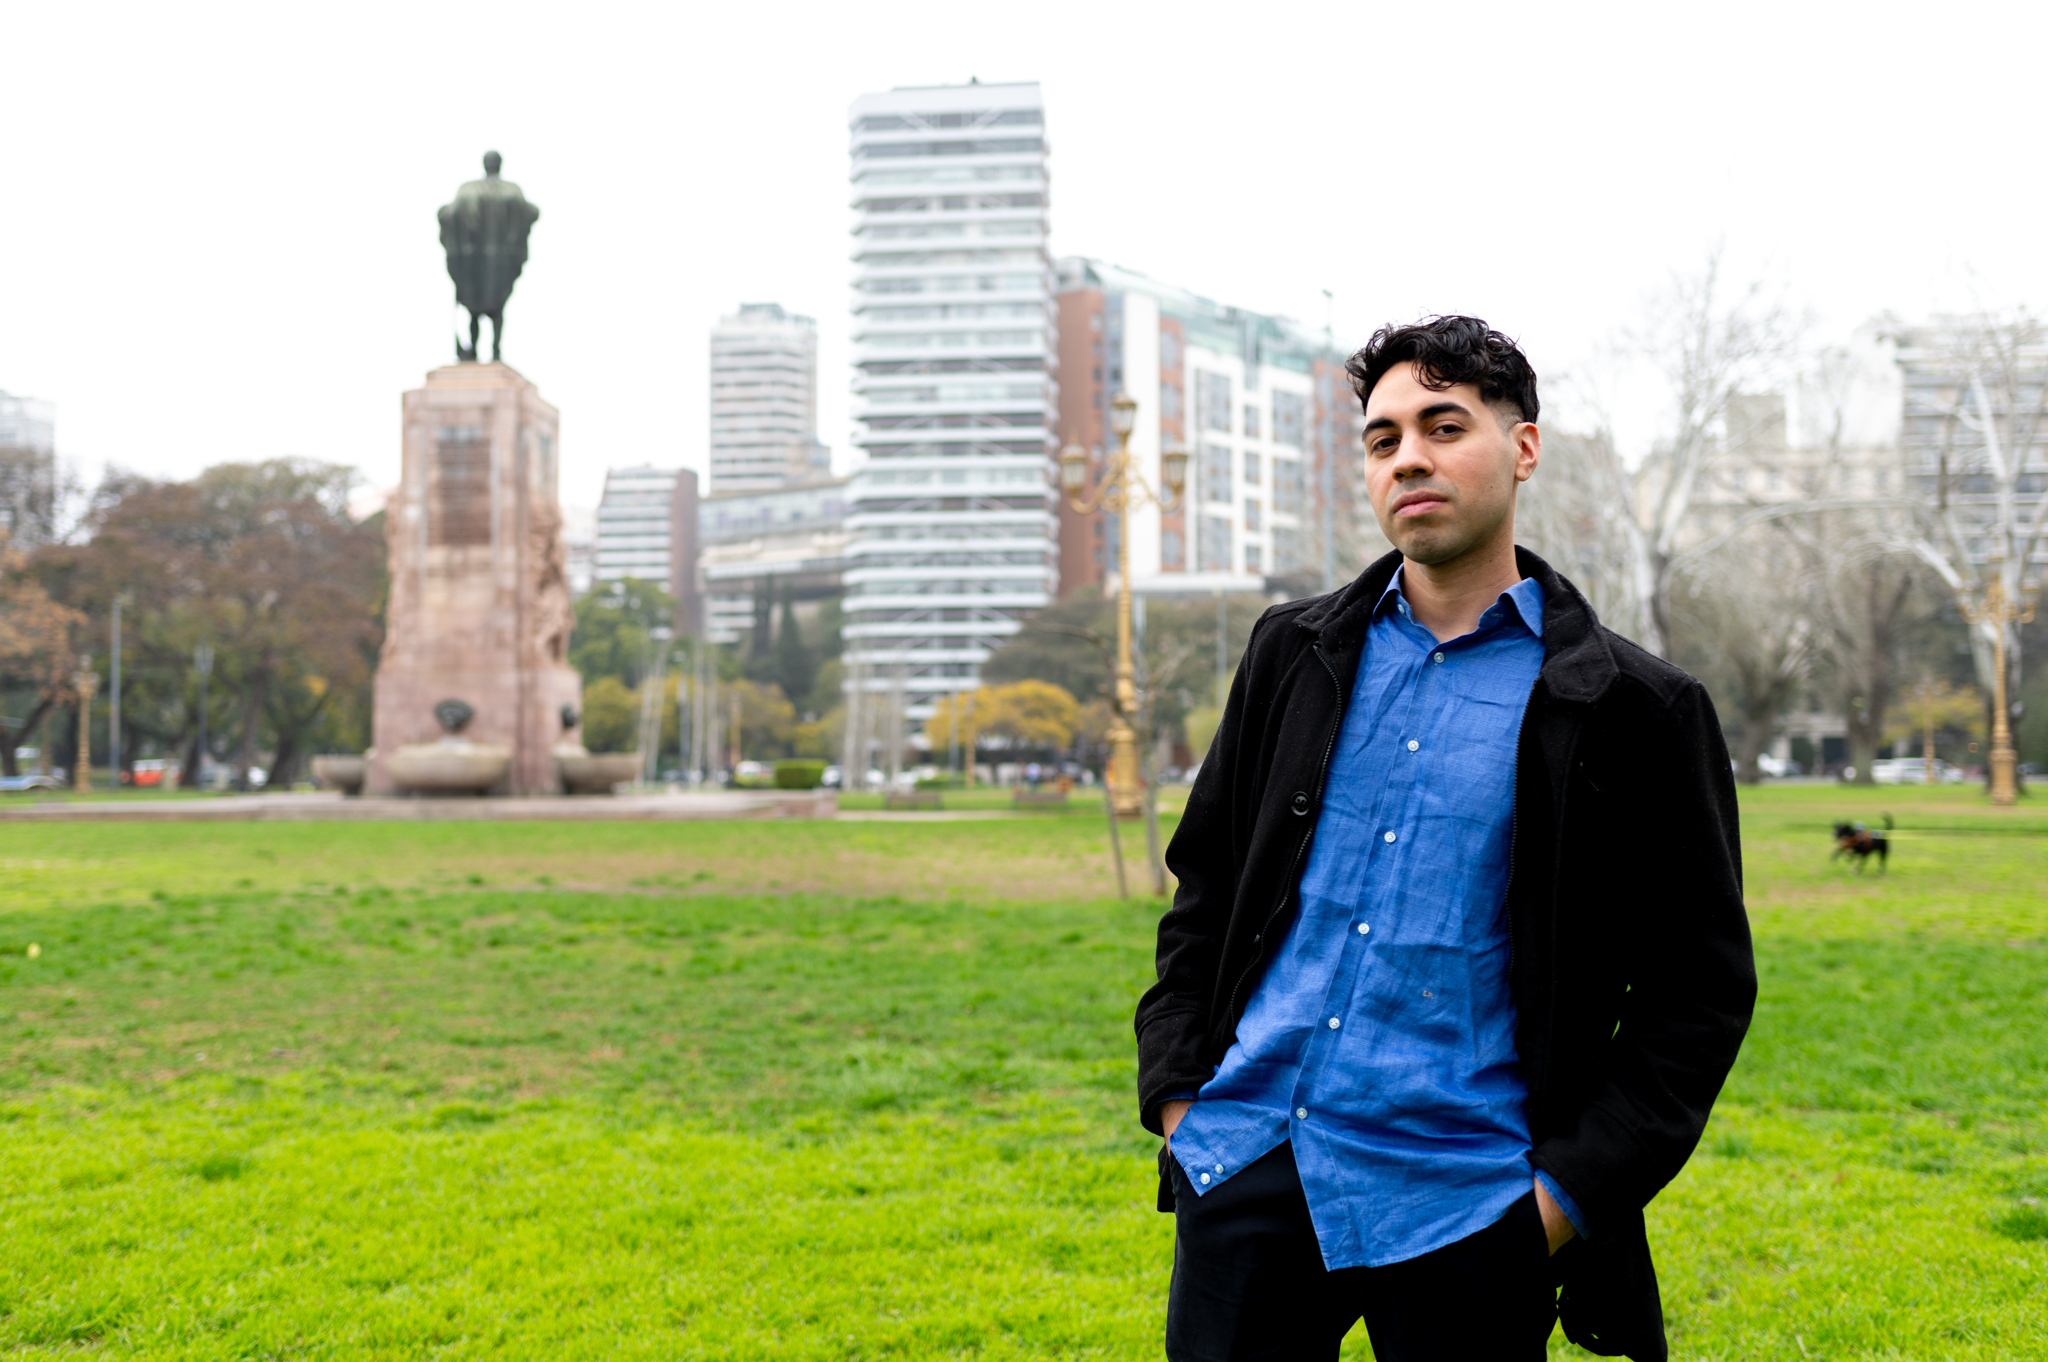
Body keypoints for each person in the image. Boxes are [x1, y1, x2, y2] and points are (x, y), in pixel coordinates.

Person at [1135, 316, 1755, 1361]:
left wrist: (1561, 1198)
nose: (1407, 456)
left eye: (1442, 425)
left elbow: (1696, 995)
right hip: (1248, 1161)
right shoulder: (1288, 655)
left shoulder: (1635, 707)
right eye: (1381, 440)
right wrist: (1179, 1102)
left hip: (1472, 1204)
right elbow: (1203, 891)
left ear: (1521, 449)